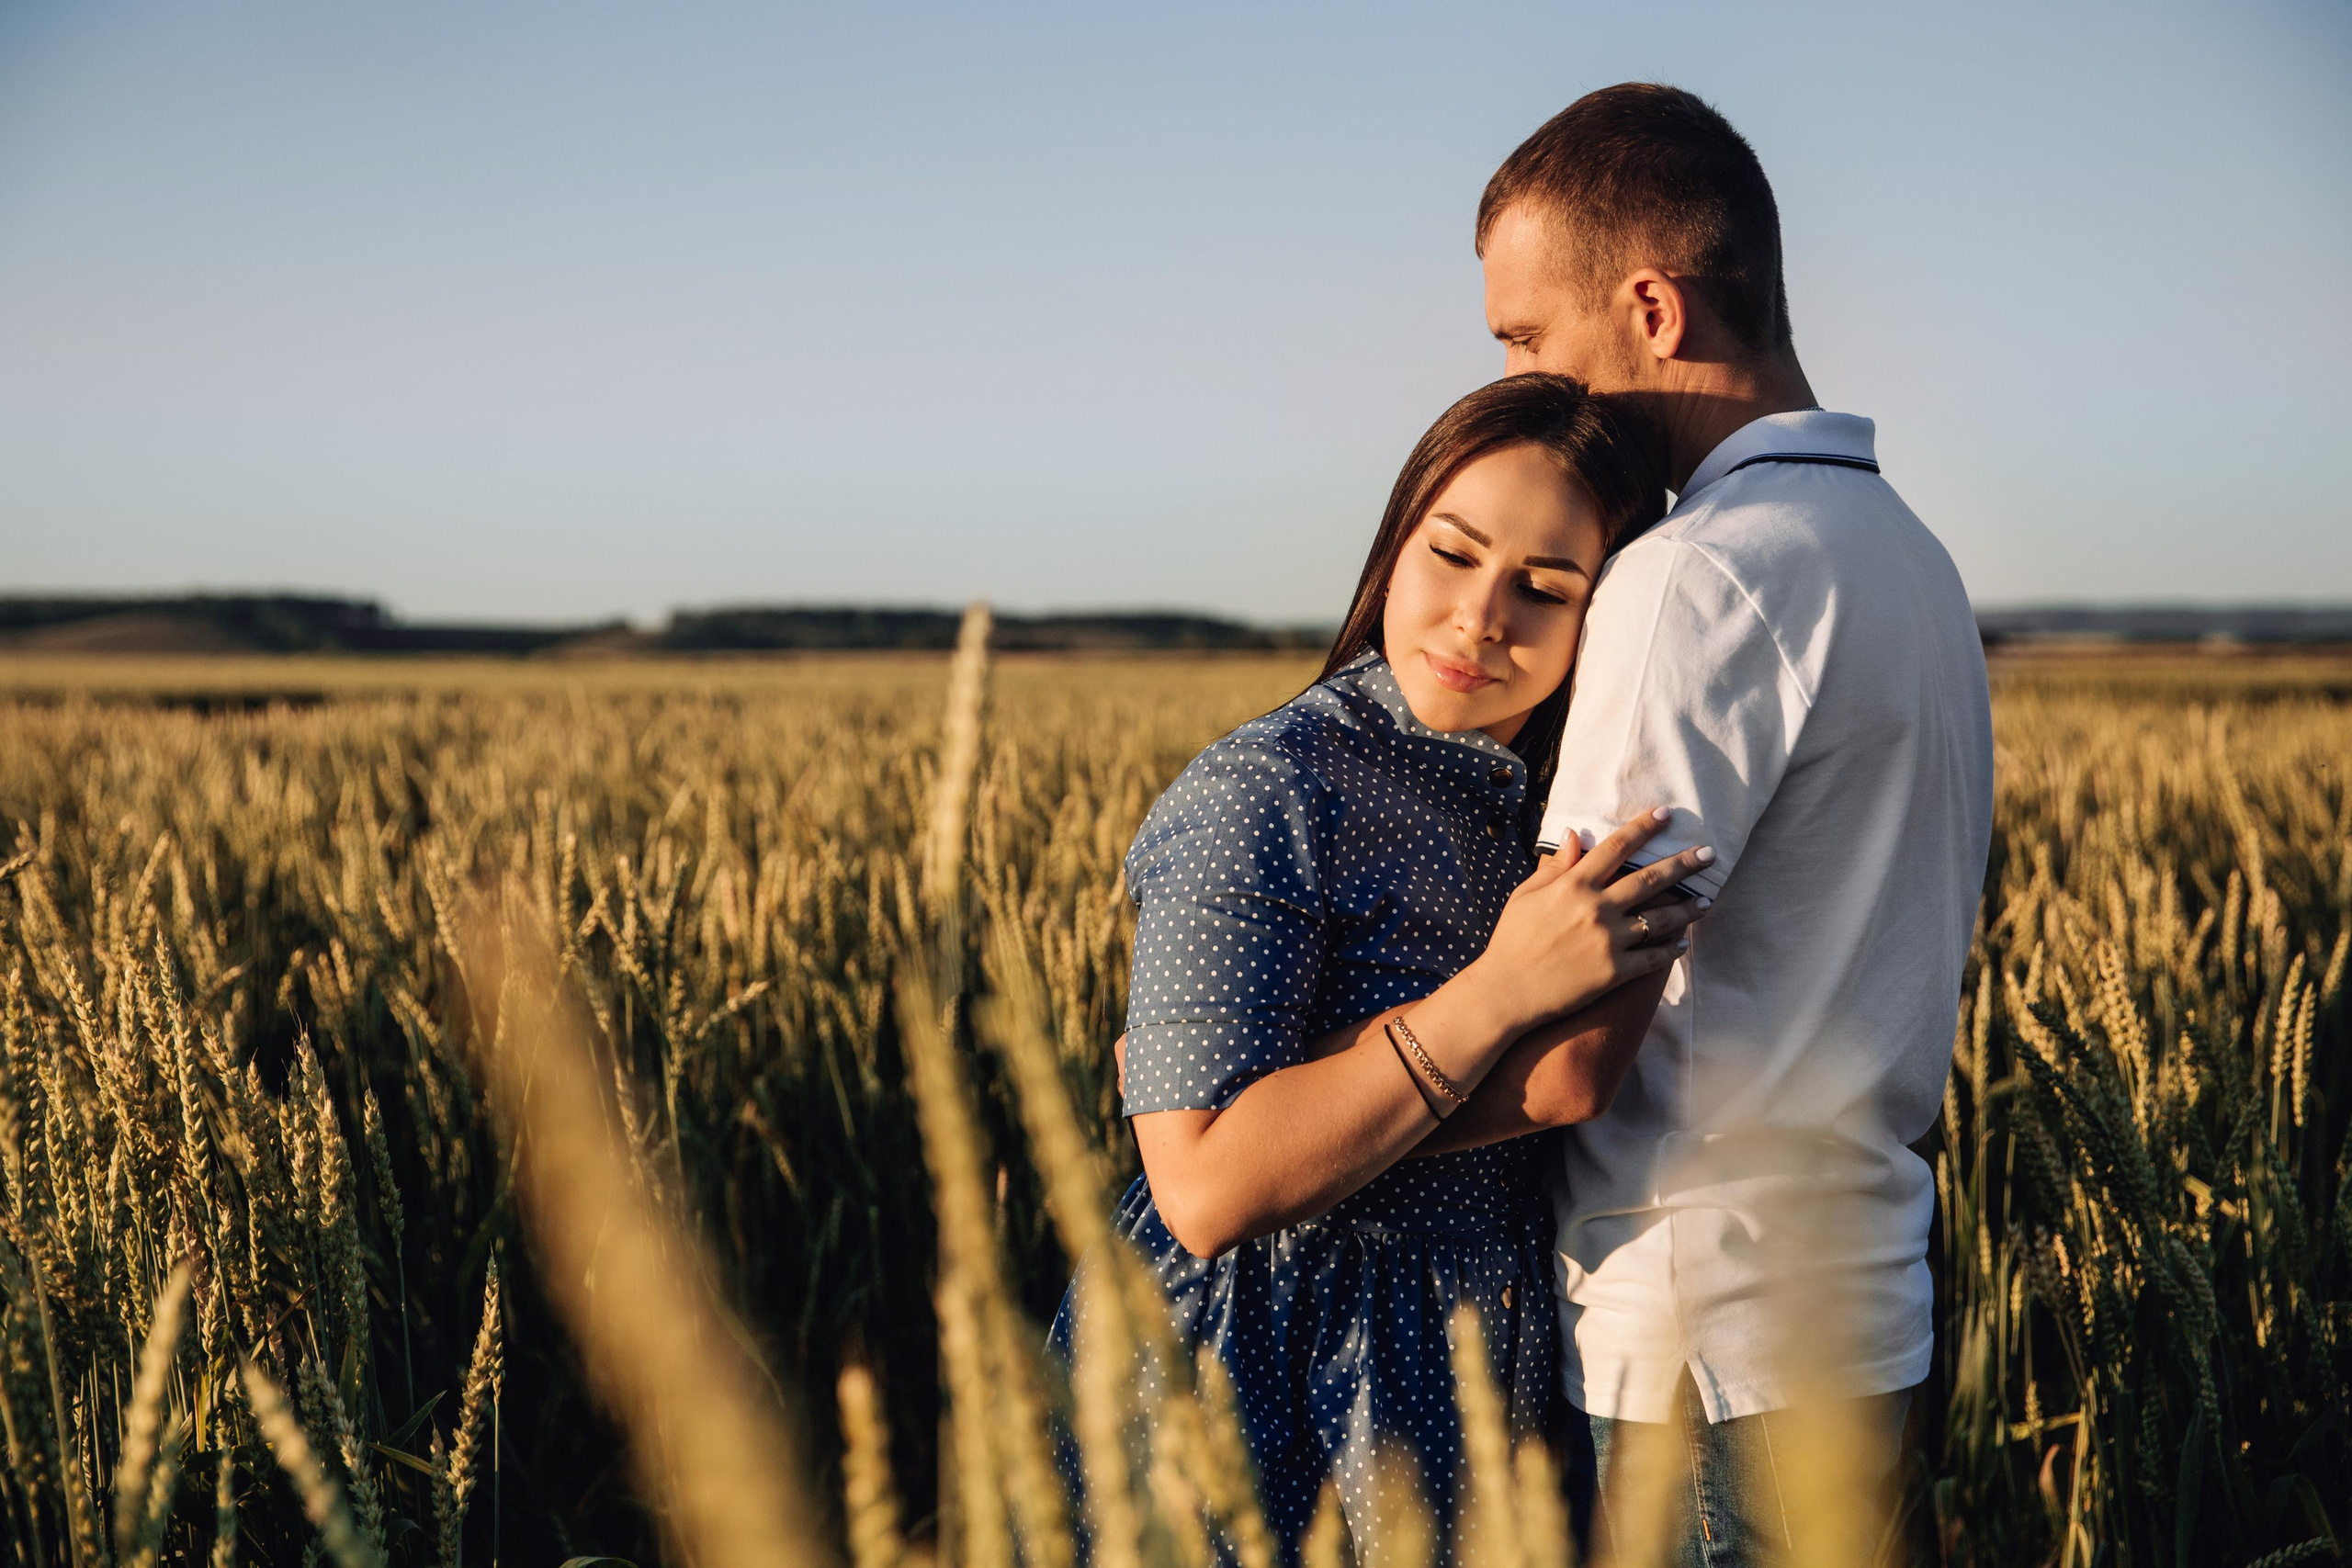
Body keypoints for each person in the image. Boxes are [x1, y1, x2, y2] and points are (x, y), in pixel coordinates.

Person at [1464, 84, 1996, 1562]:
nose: (1516, 380)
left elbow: (1572, 1054)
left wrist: (1282, 1129)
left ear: (1651, 305)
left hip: (1689, 1336)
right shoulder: (1910, 556)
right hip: (1856, 1313)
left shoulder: (1696, 577)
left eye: (1525, 337)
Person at [1054, 373, 1713, 1562]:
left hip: (1476, 1362)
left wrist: (1319, 1099)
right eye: (1451, 555)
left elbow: (1569, 1086)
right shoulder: (1268, 794)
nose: (1479, 618)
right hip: (1263, 1378)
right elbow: (1204, 1191)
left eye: (1545, 588)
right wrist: (1500, 993)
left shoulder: (1559, 805)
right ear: (1394, 544)